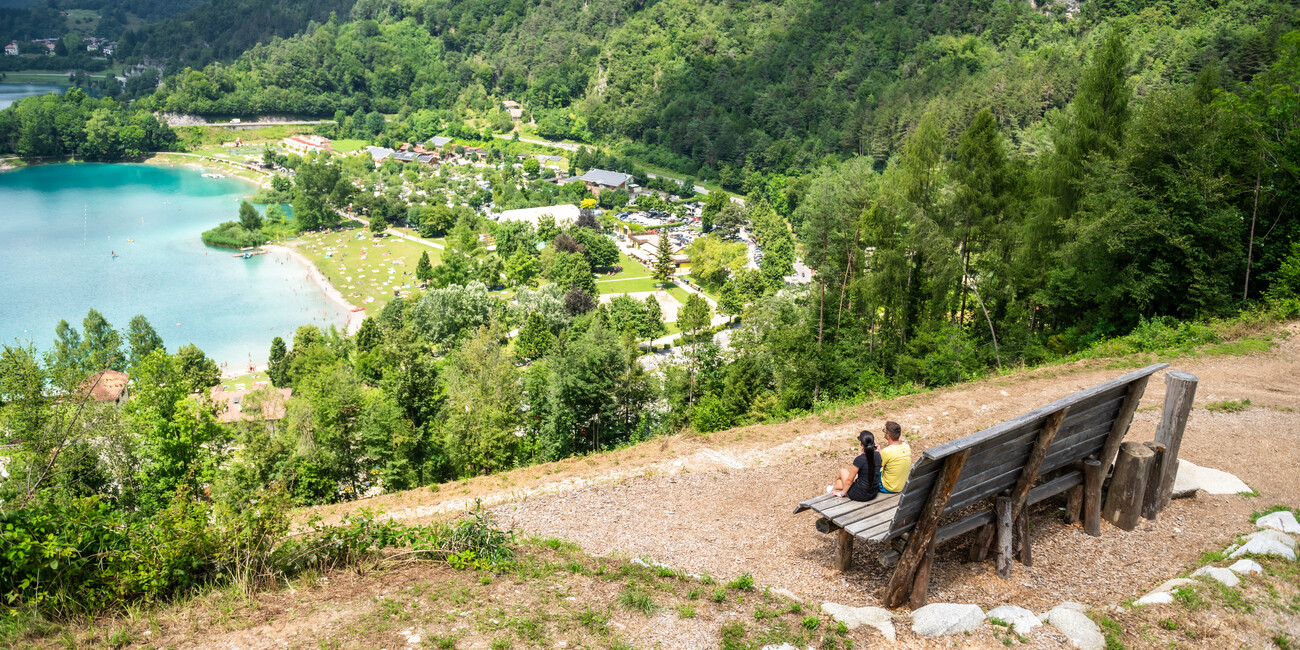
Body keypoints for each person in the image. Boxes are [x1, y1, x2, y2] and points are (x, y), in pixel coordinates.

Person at [829, 430, 881, 501]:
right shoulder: (878, 455)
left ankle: (833, 491)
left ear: (861, 443)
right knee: (839, 484)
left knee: (842, 472)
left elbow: (849, 480)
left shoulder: (859, 459)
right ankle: (834, 488)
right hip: (873, 492)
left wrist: (842, 493)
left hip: (860, 495)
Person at [879, 420, 911, 494]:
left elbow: (876, 467)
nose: (883, 432)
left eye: (884, 430)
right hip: (901, 485)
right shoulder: (906, 446)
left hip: (889, 488)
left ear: (888, 435)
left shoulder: (886, 452)